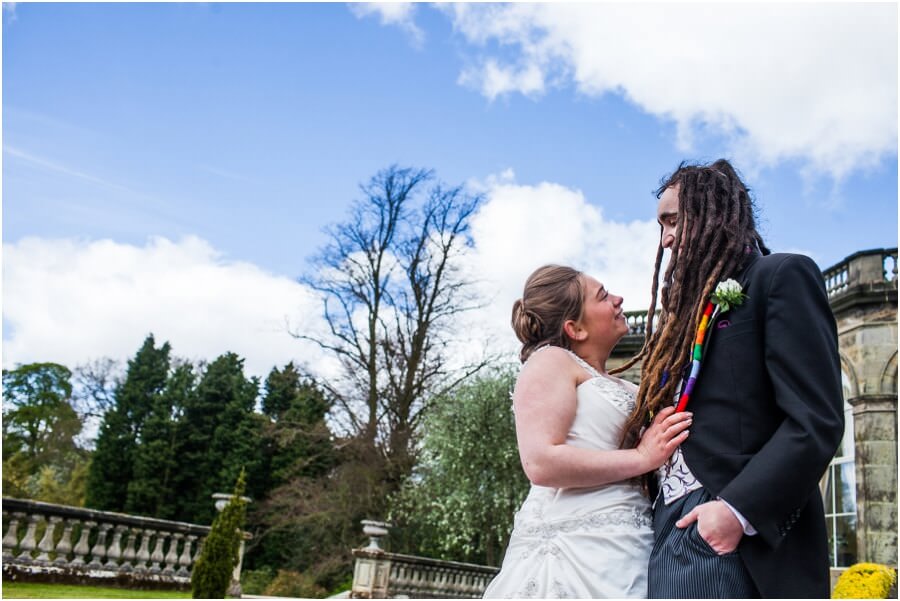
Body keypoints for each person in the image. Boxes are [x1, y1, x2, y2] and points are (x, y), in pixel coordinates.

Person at [620, 159, 844, 598]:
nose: (664, 239)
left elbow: (815, 420)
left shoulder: (780, 276)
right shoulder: (681, 317)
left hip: (734, 531)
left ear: (711, 212)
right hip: (666, 524)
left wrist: (736, 511)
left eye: (671, 221)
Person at [483, 264, 693, 599]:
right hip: (573, 546)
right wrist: (641, 457)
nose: (618, 299)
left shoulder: (625, 384)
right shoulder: (551, 361)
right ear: (575, 328)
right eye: (603, 296)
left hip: (631, 540)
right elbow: (541, 462)